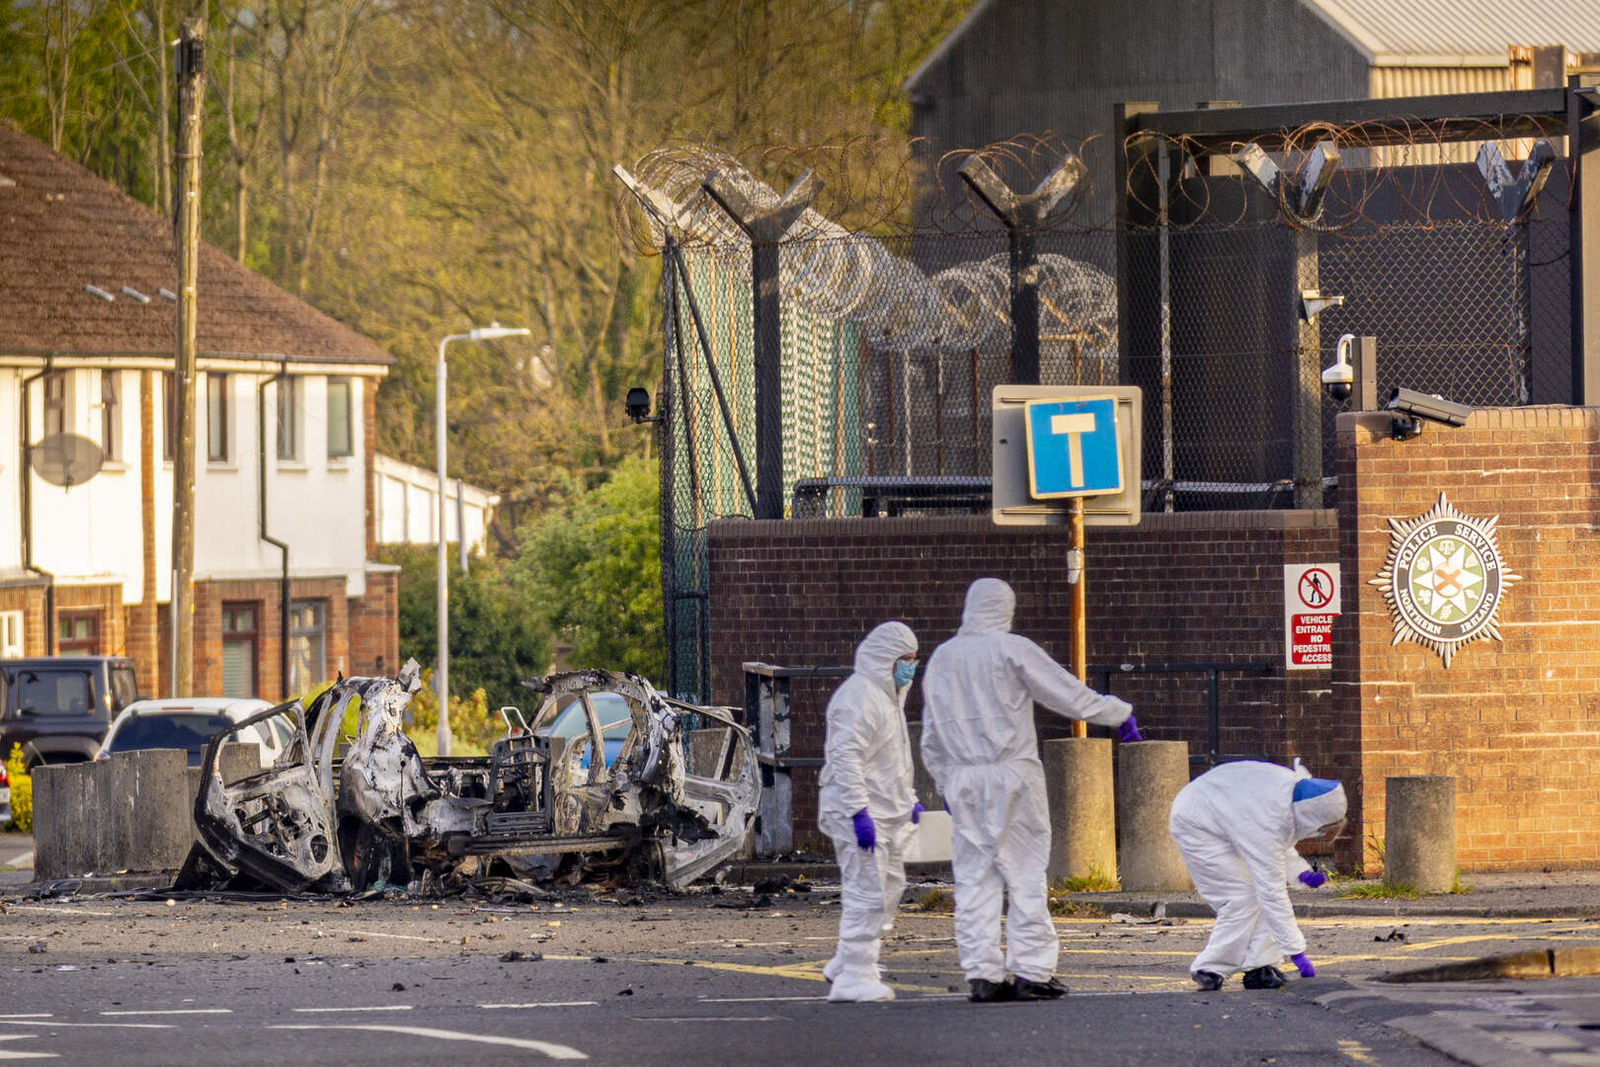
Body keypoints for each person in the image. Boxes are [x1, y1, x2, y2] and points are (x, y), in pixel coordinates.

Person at [920, 577, 1141, 1003]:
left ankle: (982, 974)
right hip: (1012, 775)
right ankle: (1032, 971)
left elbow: (931, 732)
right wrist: (1118, 713)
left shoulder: (942, 658)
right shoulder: (1011, 649)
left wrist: (945, 779)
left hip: (964, 778)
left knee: (974, 878)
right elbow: (1065, 693)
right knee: (1023, 872)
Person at [1167, 758, 1347, 991]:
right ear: (1311, 814)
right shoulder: (1268, 815)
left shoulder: (1288, 797)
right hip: (1196, 823)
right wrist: (1296, 951)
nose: (1318, 833)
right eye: (1321, 827)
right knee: (1241, 898)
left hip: (1219, 814)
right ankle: (1210, 967)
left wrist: (1299, 872)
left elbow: (1278, 835)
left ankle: (1260, 968)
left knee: (1254, 897)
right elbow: (1271, 888)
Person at [817, 620, 924, 1003]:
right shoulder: (859, 696)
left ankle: (845, 961)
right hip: (860, 813)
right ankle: (856, 977)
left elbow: (893, 757)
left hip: (886, 811)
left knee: (890, 888)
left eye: (913, 659)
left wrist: (909, 797)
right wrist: (857, 811)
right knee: (869, 893)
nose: (910, 666)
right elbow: (845, 757)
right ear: (885, 658)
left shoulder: (889, 697)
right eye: (904, 659)